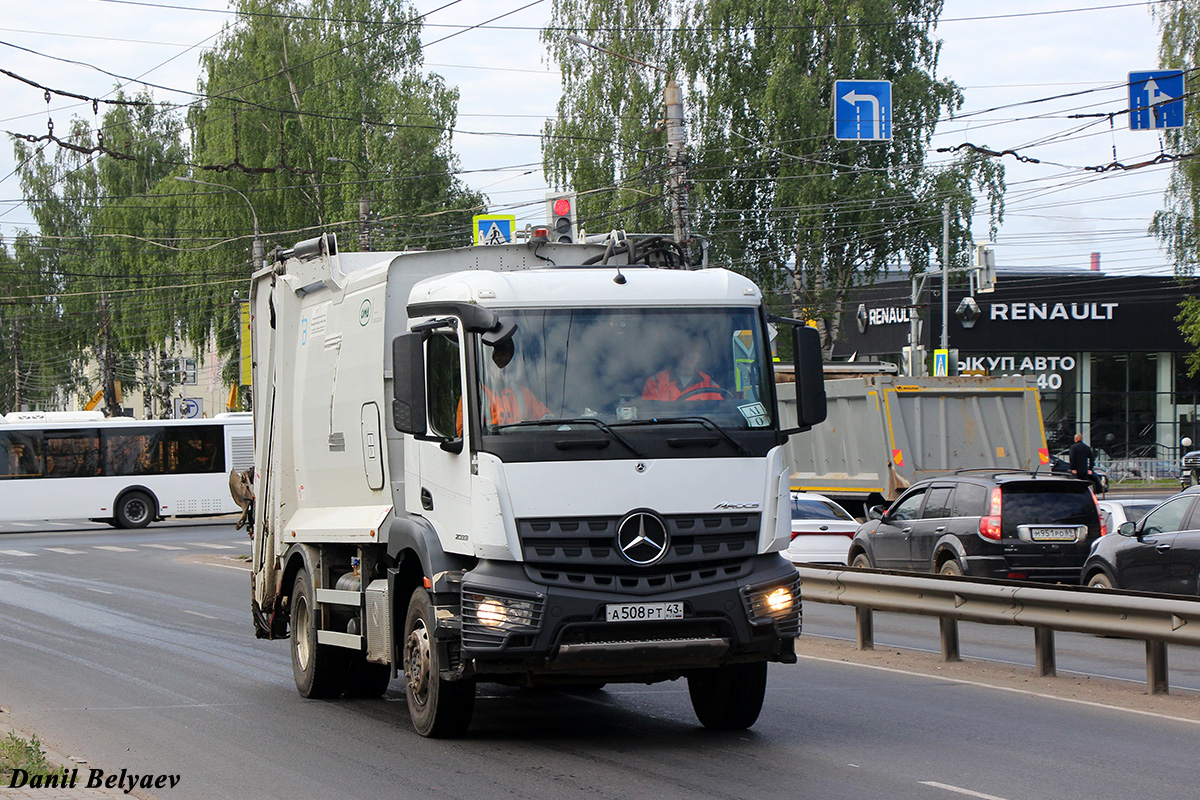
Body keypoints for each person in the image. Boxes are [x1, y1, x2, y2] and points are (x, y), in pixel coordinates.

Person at [456, 338, 551, 435]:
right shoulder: (474, 393)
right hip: (490, 448)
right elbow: (463, 432)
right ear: (488, 363)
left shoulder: (522, 393)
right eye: (498, 361)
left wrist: (558, 425)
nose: (502, 367)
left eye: (506, 362)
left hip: (524, 446)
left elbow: (547, 417)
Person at [642, 339, 724, 401]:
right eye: (685, 350)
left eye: (694, 351)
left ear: (699, 356)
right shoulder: (655, 383)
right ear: (677, 353)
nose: (689, 355)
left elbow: (720, 413)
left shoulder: (709, 385)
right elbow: (650, 416)